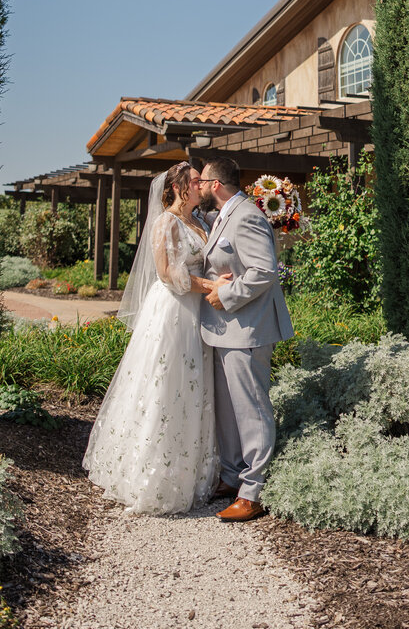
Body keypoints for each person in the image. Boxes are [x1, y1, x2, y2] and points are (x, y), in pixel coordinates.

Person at [82, 162, 222, 514]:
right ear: (177, 187)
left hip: (199, 313)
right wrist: (212, 285)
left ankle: (191, 470)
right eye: (195, 181)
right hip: (173, 311)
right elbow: (167, 273)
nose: (201, 185)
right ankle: (150, 477)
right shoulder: (165, 223)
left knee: (194, 384)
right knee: (165, 382)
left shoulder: (201, 221)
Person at [199, 157, 294, 522]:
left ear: (216, 184)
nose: (198, 187)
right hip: (226, 330)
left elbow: (264, 271)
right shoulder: (221, 215)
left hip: (248, 328)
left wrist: (225, 295)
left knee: (252, 409)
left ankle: (253, 492)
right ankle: (231, 476)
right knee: (228, 410)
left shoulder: (247, 216)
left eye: (202, 181)